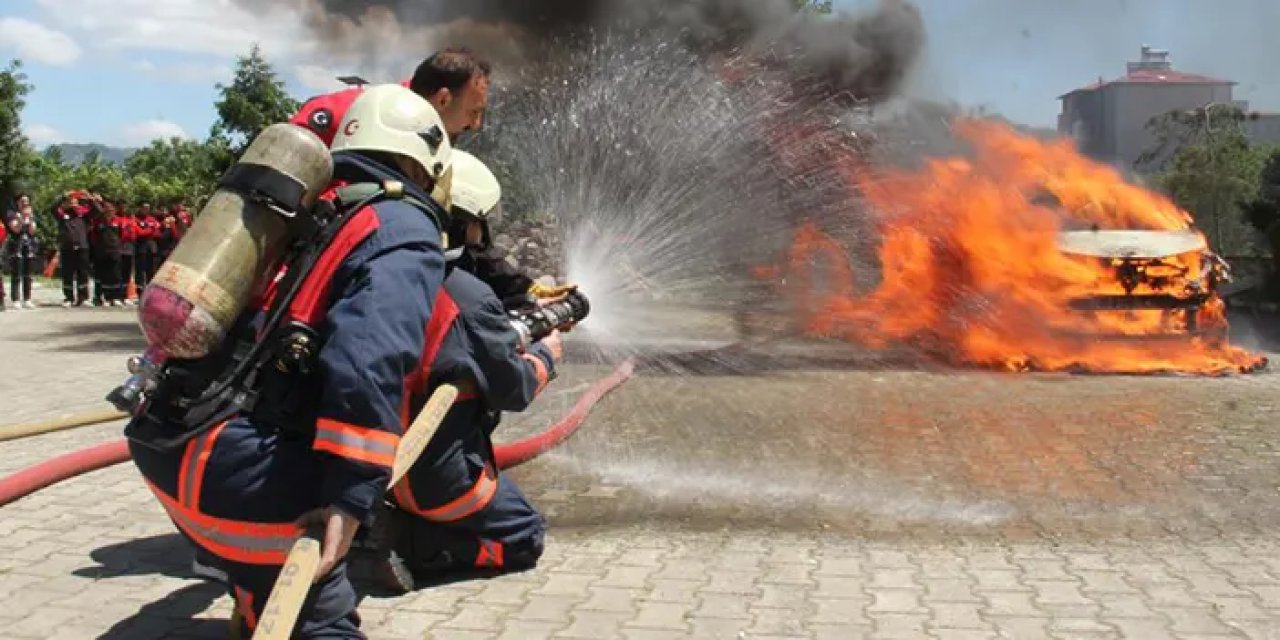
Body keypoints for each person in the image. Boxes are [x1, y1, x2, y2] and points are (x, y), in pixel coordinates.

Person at [128, 83, 455, 639]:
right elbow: (370, 358)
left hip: (165, 444)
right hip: (238, 479)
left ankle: (253, 596)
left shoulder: (311, 206)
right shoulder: (402, 224)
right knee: (322, 618)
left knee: (263, 576)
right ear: (429, 160)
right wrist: (352, 497)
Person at [370, 150, 563, 593]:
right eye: (478, 222)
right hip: (435, 479)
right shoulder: (468, 297)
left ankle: (376, 527)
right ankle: (419, 544)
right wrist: (547, 355)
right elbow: (513, 389)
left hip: (372, 469)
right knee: (524, 536)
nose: (483, 234)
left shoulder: (389, 275)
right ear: (461, 223)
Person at [290, 46, 491, 144]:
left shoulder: (435, 141)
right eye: (474, 112)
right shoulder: (350, 111)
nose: (475, 125)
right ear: (443, 99)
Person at [55, 191, 93, 307]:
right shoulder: (63, 214)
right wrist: (63, 197)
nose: (72, 204)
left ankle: (83, 298)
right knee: (67, 273)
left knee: (83, 272)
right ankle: (68, 298)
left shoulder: (83, 215)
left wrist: (90, 199)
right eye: (70, 202)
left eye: (74, 202)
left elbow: (98, 211)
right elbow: (52, 208)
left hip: (82, 247)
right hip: (67, 248)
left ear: (78, 203)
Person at [90, 199, 125, 306]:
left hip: (114, 251)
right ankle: (104, 297)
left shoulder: (118, 221)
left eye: (111, 208)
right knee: (103, 275)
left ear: (114, 209)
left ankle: (116, 297)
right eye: (107, 208)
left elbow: (122, 235)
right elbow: (93, 236)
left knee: (116, 275)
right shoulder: (98, 221)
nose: (109, 210)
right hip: (101, 252)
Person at [5, 195, 38, 309]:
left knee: (28, 274)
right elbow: (16, 229)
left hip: (28, 246)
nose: (25, 203)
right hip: (16, 245)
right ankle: (16, 299)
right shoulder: (11, 214)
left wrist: (30, 218)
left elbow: (32, 231)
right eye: (22, 201)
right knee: (16, 273)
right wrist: (21, 218)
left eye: (27, 201)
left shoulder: (30, 214)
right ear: (17, 202)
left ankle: (27, 299)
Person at [134, 203, 160, 288]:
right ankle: (140, 289)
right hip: (140, 247)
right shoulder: (136, 219)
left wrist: (149, 230)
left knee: (151, 269)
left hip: (151, 247)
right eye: (144, 208)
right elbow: (139, 233)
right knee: (140, 270)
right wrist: (150, 229)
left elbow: (157, 232)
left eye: (148, 209)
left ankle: (150, 287)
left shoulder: (152, 219)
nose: (146, 210)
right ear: (140, 208)